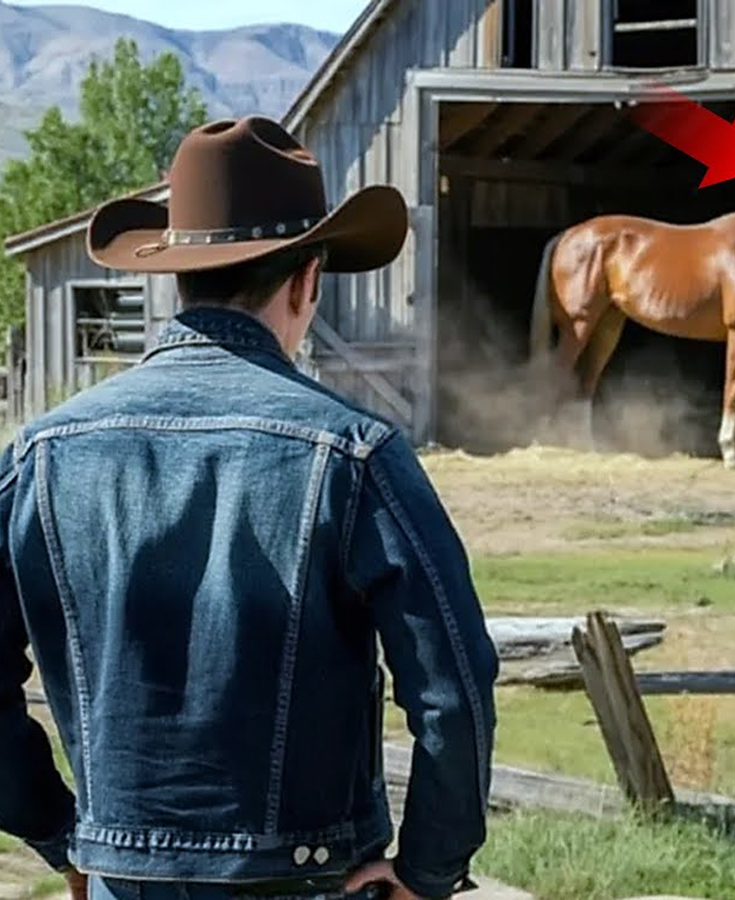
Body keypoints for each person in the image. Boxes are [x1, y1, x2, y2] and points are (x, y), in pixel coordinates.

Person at [0, 116, 498, 900]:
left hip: (120, 880)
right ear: (307, 282)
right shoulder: (357, 452)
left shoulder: (41, 454)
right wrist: (428, 867)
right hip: (313, 880)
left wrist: (61, 831)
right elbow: (454, 688)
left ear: (177, 275)